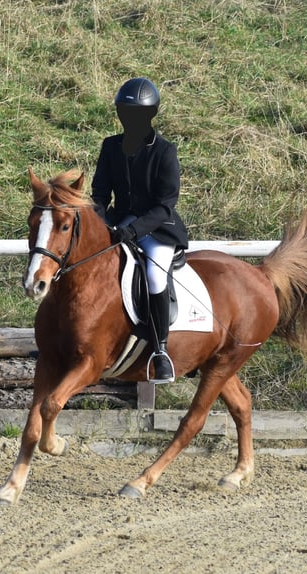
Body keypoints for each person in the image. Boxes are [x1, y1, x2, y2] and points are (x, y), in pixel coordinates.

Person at [91, 77, 189, 384]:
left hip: (157, 229)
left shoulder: (165, 151)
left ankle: (160, 351)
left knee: (154, 275)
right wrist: (101, 223)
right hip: (119, 223)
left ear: (151, 115)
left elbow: (164, 206)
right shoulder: (110, 147)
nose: (130, 119)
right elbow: (99, 195)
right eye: (125, 112)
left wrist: (133, 231)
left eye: (137, 114)